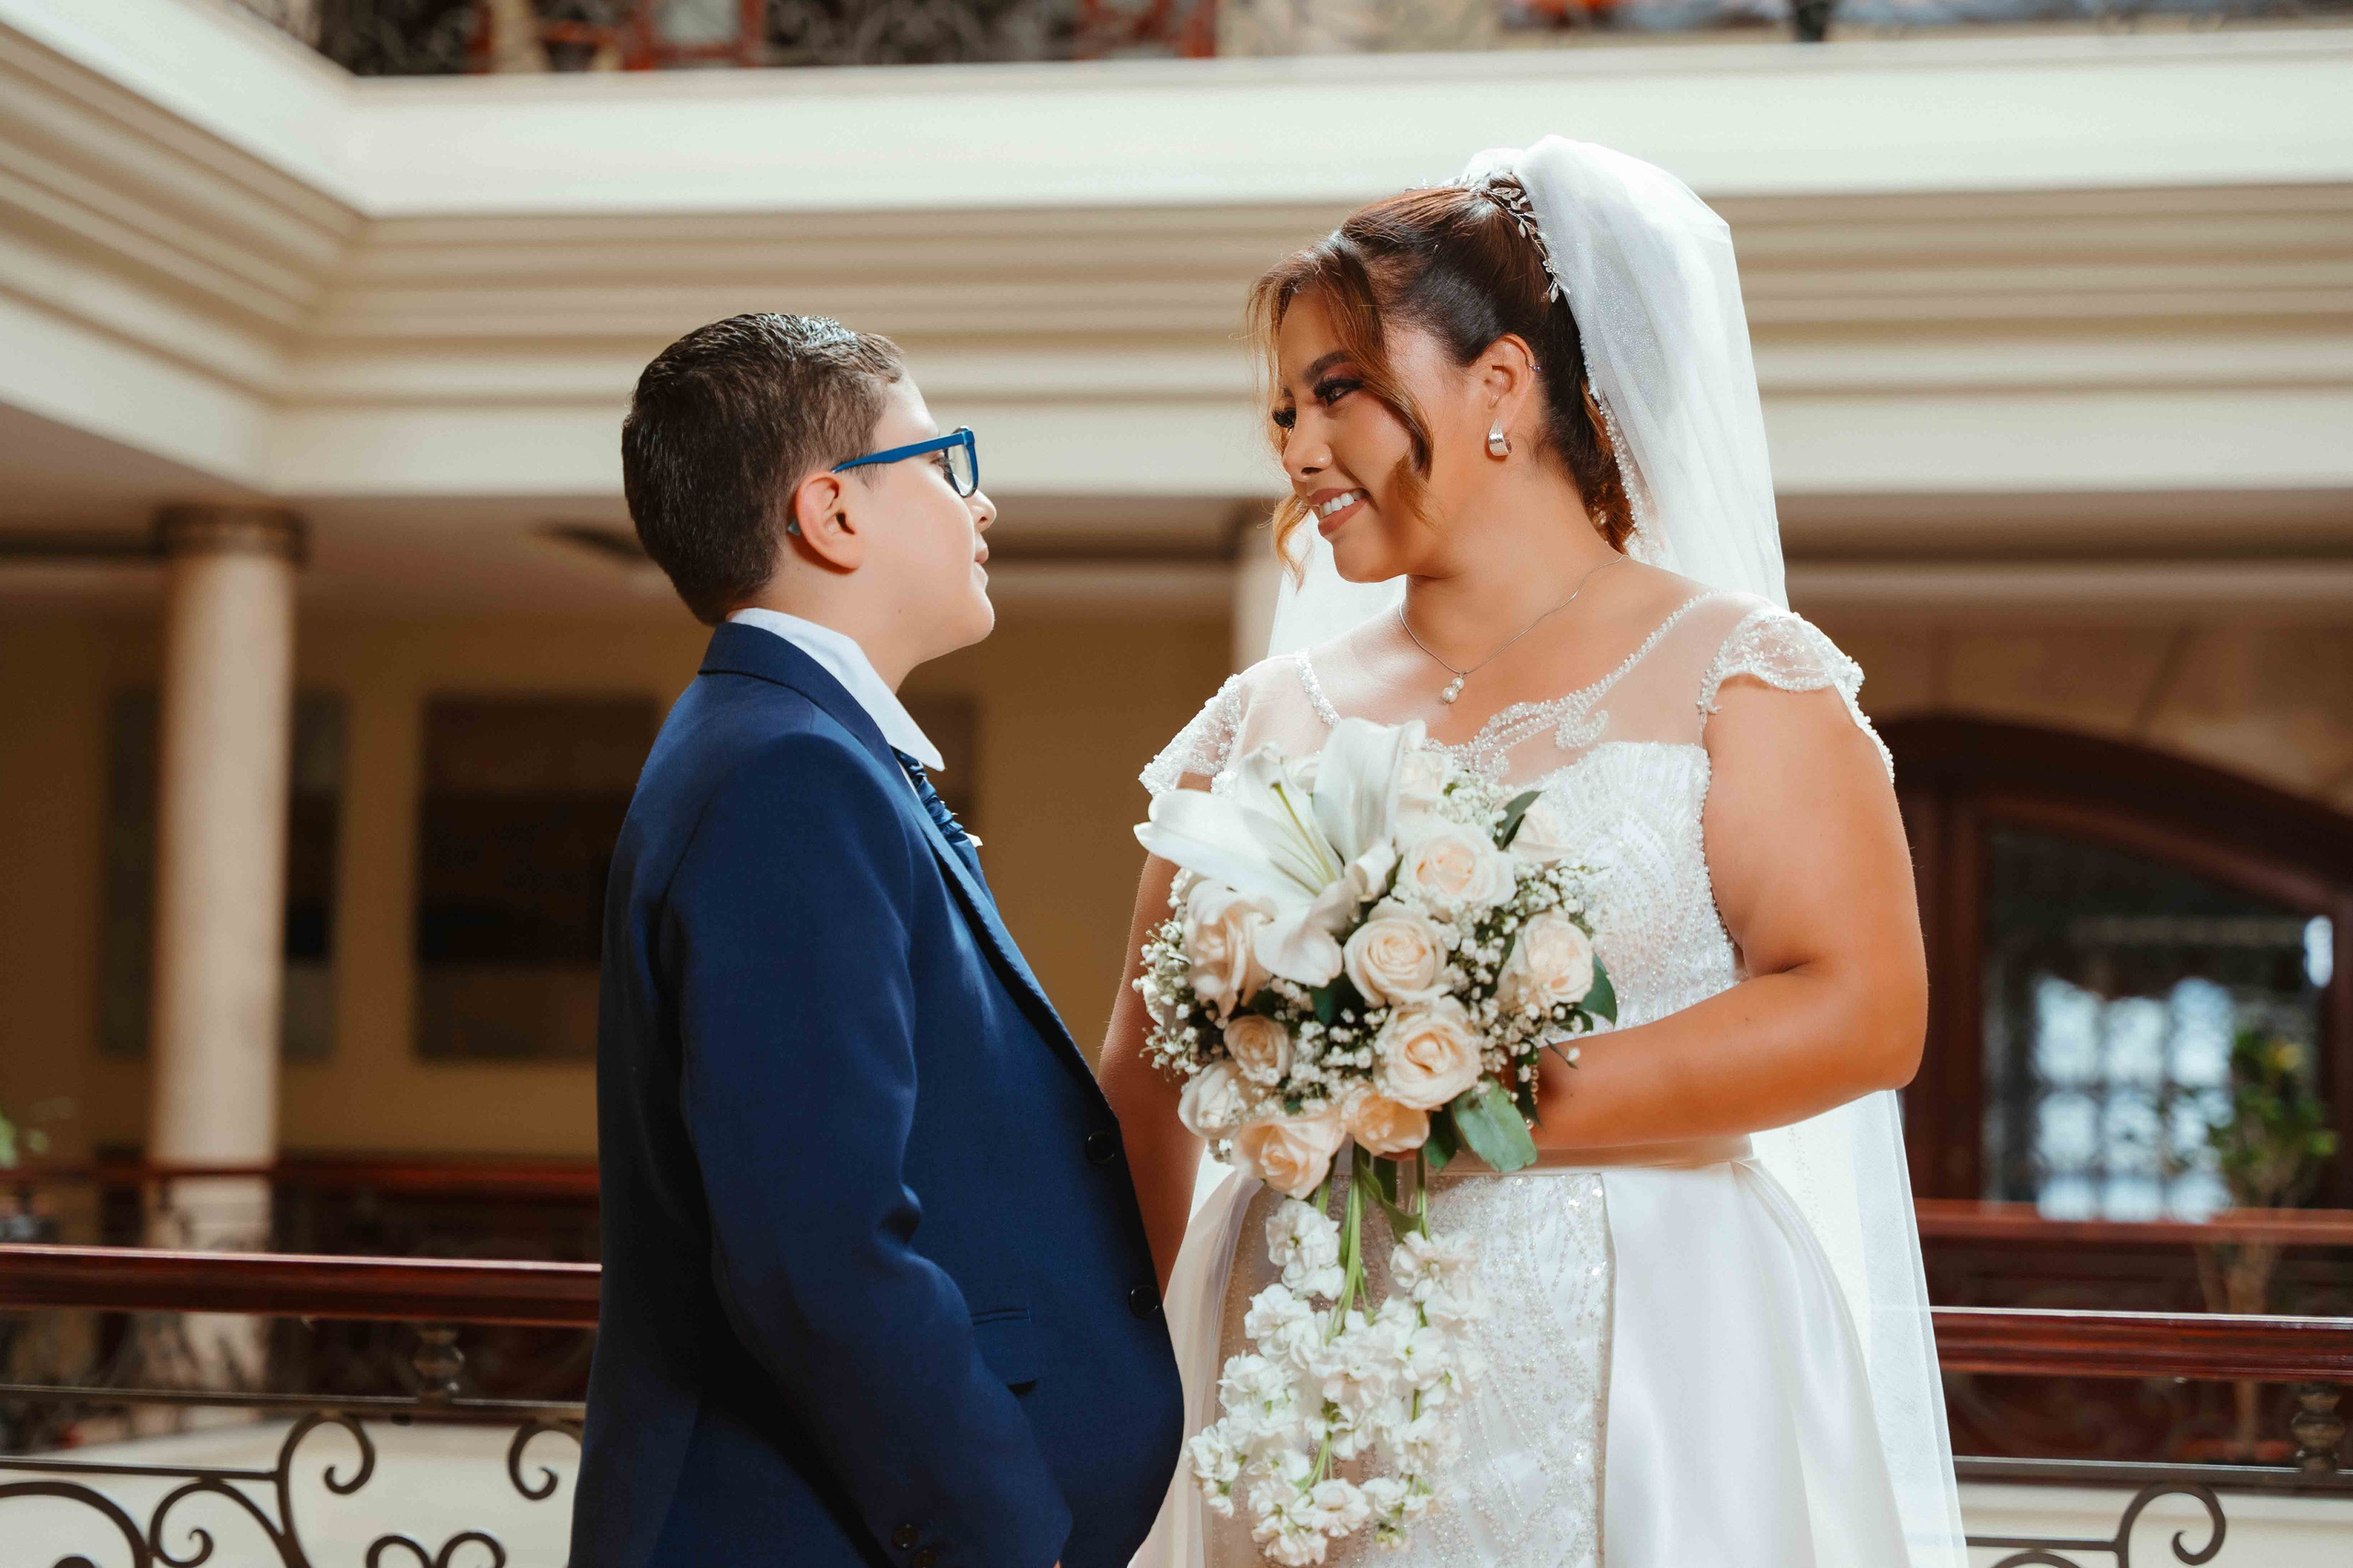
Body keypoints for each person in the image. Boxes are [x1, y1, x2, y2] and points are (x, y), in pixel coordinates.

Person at [1100, 142, 1970, 1566]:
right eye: (1284, 411)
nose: (1299, 450)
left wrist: (1455, 1102)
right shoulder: (1255, 722)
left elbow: (1864, 1008)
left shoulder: (1738, 675)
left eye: (1340, 391)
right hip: (1299, 1369)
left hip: (1646, 1347)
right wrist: (1100, 1404)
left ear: (1500, 383)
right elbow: (1142, 1086)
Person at [573, 312, 1183, 1568]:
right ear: (833, 511)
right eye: (944, 461)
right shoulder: (787, 774)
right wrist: (1008, 1533)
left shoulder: (795, 748)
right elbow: (819, 1253)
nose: (982, 501)